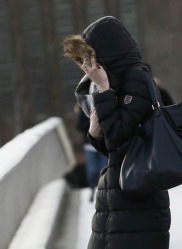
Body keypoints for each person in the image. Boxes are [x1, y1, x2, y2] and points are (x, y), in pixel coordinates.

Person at [63, 16, 170, 249]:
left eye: (91, 56)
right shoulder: (118, 81)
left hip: (138, 202)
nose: (88, 65)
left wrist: (103, 90)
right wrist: (95, 134)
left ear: (107, 49)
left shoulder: (136, 78)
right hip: (116, 200)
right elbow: (114, 147)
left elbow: (120, 135)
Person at [75, 103, 107, 202]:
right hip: (89, 146)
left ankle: (104, 192)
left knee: (104, 169)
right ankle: (92, 190)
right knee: (92, 171)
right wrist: (91, 123)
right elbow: (79, 126)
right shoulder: (84, 110)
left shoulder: (104, 107)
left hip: (103, 145)